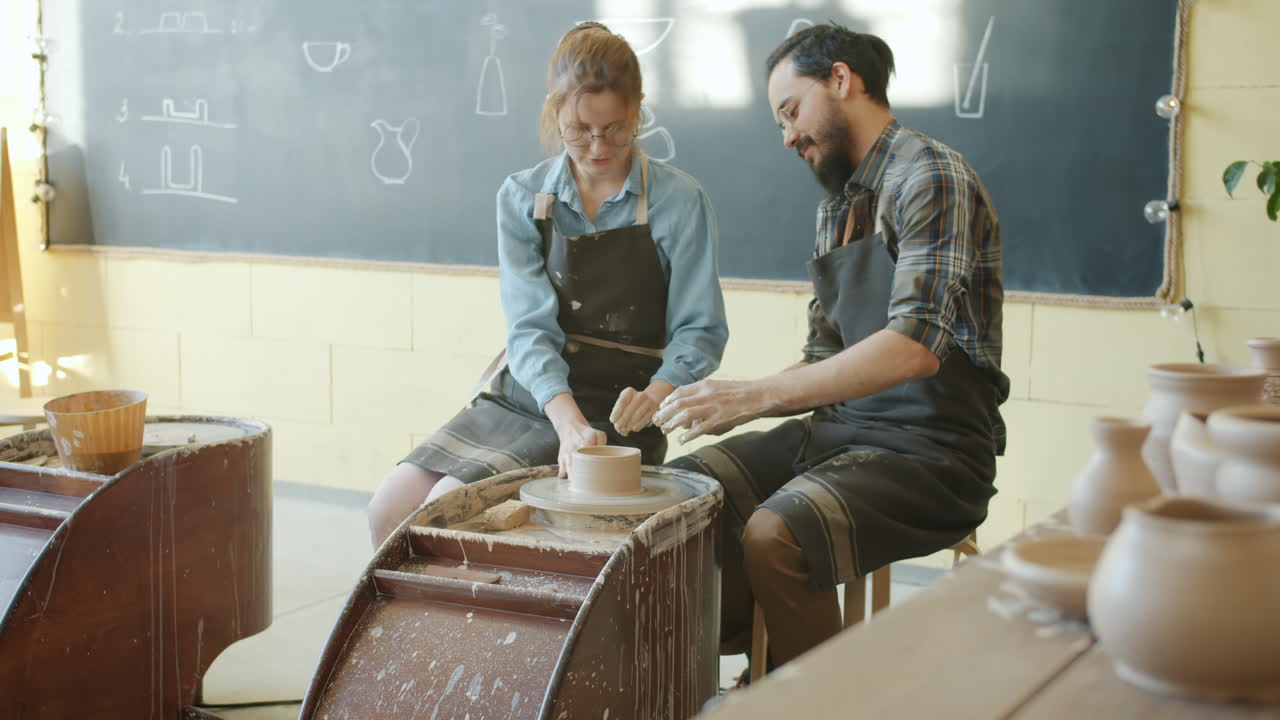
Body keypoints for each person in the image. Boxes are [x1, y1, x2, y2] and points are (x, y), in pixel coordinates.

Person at [654, 24, 1009, 670]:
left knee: (775, 533)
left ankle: (825, 697)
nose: (787, 136)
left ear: (842, 80)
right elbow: (822, 356)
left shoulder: (930, 176)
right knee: (686, 492)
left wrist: (760, 394)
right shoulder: (836, 208)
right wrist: (737, 402)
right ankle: (764, 668)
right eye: (780, 123)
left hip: (935, 450)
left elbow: (914, 348)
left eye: (792, 111)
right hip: (843, 433)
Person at [367, 22, 728, 548]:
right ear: (554, 112)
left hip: (620, 408)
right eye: (580, 130)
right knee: (387, 510)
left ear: (638, 110)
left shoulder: (680, 200)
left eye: (616, 128)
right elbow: (529, 327)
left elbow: (700, 330)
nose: (599, 146)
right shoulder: (522, 196)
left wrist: (655, 395)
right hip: (533, 396)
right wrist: (565, 421)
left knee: (437, 510)